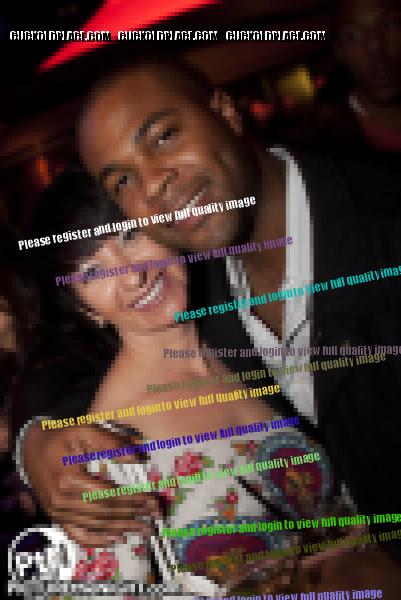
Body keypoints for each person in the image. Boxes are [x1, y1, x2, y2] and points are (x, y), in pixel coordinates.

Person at [18, 57, 401, 589]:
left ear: (225, 111)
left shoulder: (380, 229)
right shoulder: (200, 269)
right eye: (124, 179)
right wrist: (36, 445)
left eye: (164, 136)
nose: (155, 184)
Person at [17, 168, 342, 596]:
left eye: (130, 235)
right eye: (93, 271)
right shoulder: (106, 453)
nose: (133, 275)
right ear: (85, 309)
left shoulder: (245, 334)